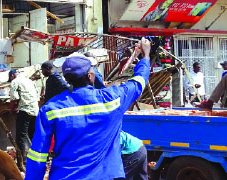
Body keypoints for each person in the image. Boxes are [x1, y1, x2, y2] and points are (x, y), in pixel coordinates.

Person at [24, 38, 151, 180]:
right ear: (90, 77)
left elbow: (37, 156)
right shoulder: (113, 99)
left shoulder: (50, 109)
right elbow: (139, 81)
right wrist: (145, 56)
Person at [8, 68, 39, 165]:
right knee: (33, 135)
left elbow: (14, 98)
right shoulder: (29, 81)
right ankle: (39, 158)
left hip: (24, 111)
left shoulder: (15, 82)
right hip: (35, 110)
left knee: (21, 137)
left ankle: (22, 162)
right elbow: (37, 95)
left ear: (12, 75)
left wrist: (12, 109)